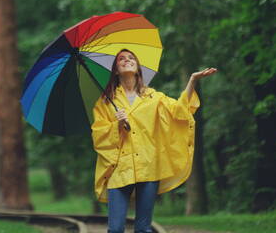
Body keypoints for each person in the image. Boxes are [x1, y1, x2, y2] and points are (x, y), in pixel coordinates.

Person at [91, 49, 217, 233]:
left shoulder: (153, 97)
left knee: (143, 228)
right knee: (116, 229)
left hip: (148, 166)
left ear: (138, 67)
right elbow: (98, 136)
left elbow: (179, 111)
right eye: (121, 59)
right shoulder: (105, 102)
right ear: (116, 70)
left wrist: (192, 81)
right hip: (118, 168)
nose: (127, 60)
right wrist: (117, 125)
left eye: (131, 58)